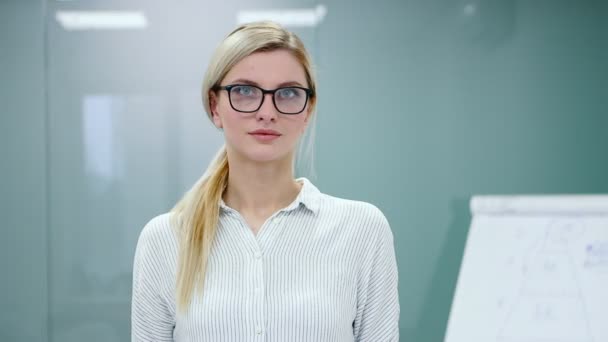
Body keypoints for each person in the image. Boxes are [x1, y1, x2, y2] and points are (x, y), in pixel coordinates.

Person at [131, 21, 399, 342]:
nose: (267, 112)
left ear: (308, 110)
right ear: (215, 106)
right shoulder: (164, 240)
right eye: (245, 91)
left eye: (287, 93)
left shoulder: (363, 230)